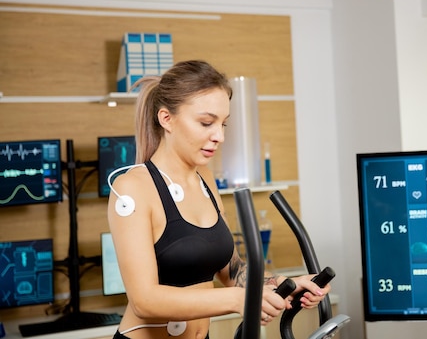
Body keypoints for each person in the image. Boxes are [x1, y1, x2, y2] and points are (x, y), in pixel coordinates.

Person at [107, 60, 330, 339]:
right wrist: (238, 300)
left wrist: (286, 284)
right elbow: (144, 300)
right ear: (167, 119)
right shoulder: (132, 188)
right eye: (206, 123)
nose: (220, 136)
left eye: (223, 124)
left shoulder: (205, 180)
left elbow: (233, 270)